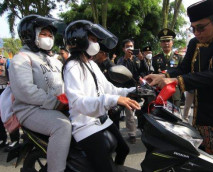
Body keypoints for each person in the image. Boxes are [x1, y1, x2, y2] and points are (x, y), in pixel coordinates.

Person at [144, 0, 213, 171]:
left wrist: (176, 81)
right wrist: (163, 75)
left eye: (201, 27)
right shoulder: (194, 43)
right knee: (198, 160)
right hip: (201, 113)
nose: (196, 33)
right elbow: (184, 68)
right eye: (193, 28)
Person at [62, 20, 141, 172]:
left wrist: (132, 91)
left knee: (123, 148)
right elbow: (78, 102)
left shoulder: (91, 64)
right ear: (80, 41)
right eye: (92, 40)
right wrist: (112, 99)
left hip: (101, 119)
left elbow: (108, 88)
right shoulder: (72, 67)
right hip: (85, 125)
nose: (96, 44)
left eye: (96, 40)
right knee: (104, 167)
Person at [8, 15, 71, 172]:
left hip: (56, 106)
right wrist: (56, 103)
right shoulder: (21, 59)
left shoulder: (54, 61)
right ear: (31, 35)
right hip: (30, 110)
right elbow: (25, 91)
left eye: (50, 35)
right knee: (62, 126)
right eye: (44, 34)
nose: (49, 38)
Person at [117, 39, 149, 144]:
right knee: (129, 113)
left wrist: (142, 59)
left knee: (143, 110)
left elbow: (145, 71)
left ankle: (143, 129)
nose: (129, 48)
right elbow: (120, 72)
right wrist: (126, 59)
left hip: (139, 89)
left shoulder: (138, 59)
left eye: (131, 46)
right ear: (123, 48)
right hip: (127, 90)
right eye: (127, 46)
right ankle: (132, 134)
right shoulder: (121, 60)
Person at [93, 44, 123, 129]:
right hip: (100, 104)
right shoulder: (95, 65)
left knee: (113, 128)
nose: (95, 55)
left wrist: (114, 104)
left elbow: (117, 87)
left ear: (103, 53)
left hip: (111, 106)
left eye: (97, 53)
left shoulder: (112, 67)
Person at [152, 28, 183, 107]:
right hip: (160, 92)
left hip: (174, 93)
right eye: (163, 41)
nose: (166, 43)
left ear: (172, 43)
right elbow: (154, 74)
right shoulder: (155, 58)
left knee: (175, 117)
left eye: (168, 41)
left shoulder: (179, 57)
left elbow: (183, 73)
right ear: (160, 44)